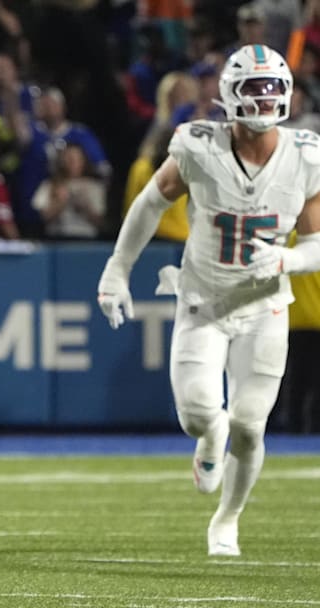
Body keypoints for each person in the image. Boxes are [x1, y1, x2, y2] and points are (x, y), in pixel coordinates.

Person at [97, 44, 320, 557]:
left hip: (265, 305)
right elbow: (150, 203)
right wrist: (117, 269)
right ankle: (209, 434)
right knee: (199, 416)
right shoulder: (200, 145)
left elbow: (313, 246)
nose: (264, 99)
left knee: (249, 425)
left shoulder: (304, 155)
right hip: (202, 300)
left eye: (272, 88)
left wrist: (286, 261)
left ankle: (229, 518)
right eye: (253, 88)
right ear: (228, 94)